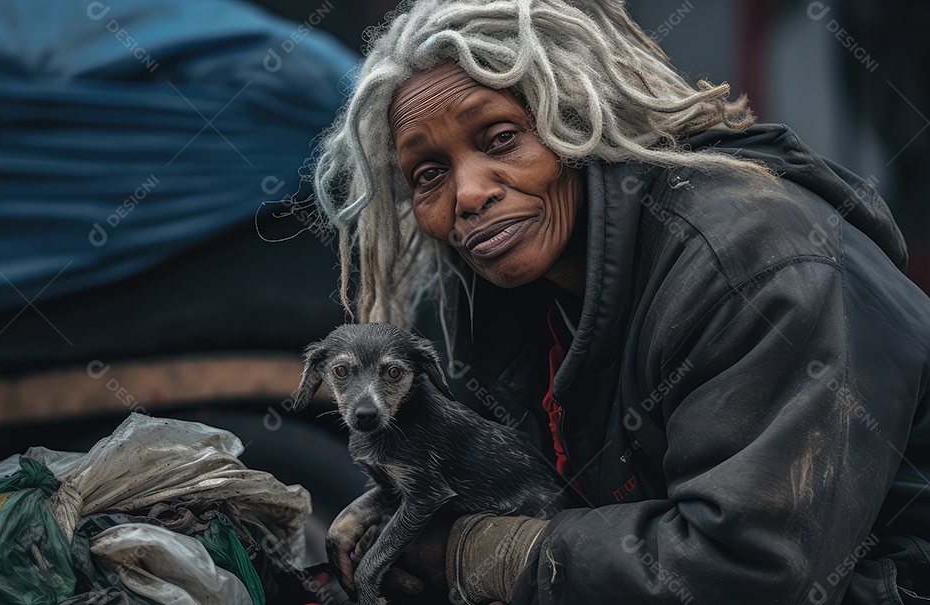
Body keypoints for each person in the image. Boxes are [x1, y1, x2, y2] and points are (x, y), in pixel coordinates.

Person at [309, 0, 930, 603]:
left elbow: (746, 568)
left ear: (578, 119)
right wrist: (405, 495)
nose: (468, 194)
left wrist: (482, 553)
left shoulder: (751, 260)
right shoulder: (503, 297)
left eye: (500, 139)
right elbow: (525, 477)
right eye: (429, 174)